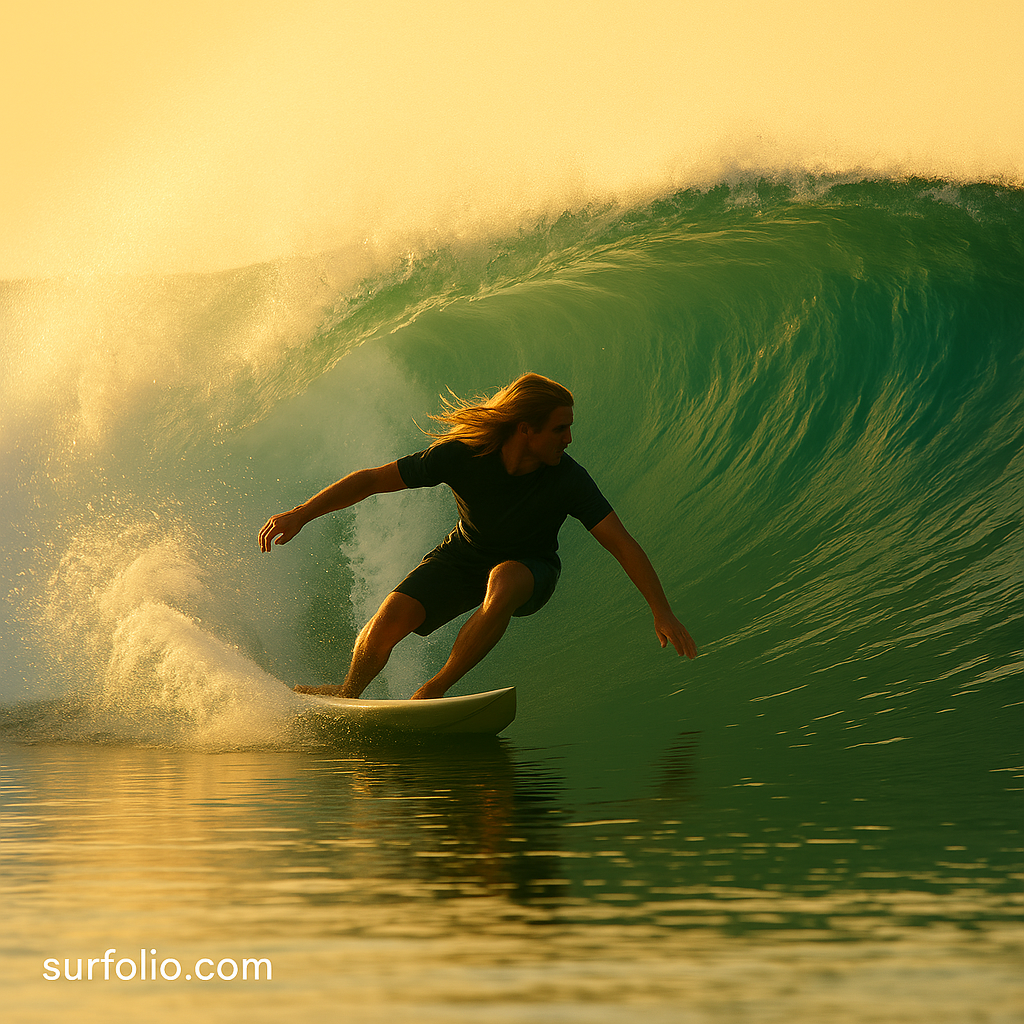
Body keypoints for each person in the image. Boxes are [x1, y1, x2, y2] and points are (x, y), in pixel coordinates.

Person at [258, 373, 696, 699]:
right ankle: (348, 693)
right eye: (559, 428)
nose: (569, 438)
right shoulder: (463, 456)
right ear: (525, 428)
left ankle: (432, 691)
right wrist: (301, 514)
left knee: (504, 578)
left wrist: (662, 611)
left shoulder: (568, 479)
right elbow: (373, 480)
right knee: (390, 619)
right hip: (465, 555)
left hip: (531, 568)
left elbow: (621, 542)